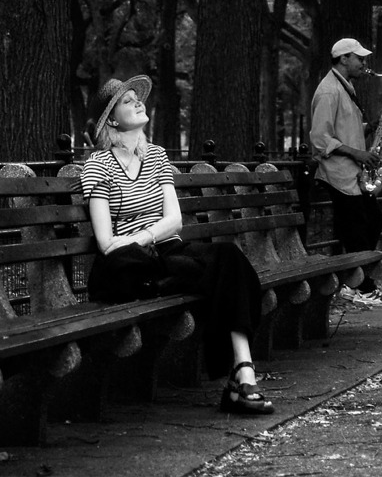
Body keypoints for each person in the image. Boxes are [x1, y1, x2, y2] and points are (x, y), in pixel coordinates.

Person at [80, 75, 274, 414]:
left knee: (228, 257)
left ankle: (243, 369)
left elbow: (175, 221)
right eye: (127, 101)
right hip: (130, 261)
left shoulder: (156, 157)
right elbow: (106, 242)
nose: (138, 103)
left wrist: (144, 236)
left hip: (164, 250)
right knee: (167, 269)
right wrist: (142, 243)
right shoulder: (98, 166)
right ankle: (237, 382)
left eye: (137, 99)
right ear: (111, 120)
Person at [309, 38, 382, 307]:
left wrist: (369, 129)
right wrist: (357, 153)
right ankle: (361, 287)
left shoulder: (344, 87)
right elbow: (320, 138)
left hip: (352, 174)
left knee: (373, 221)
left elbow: (341, 129)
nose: (364, 63)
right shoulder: (328, 91)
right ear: (343, 58)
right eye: (359, 58)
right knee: (357, 229)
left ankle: (356, 284)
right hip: (338, 174)